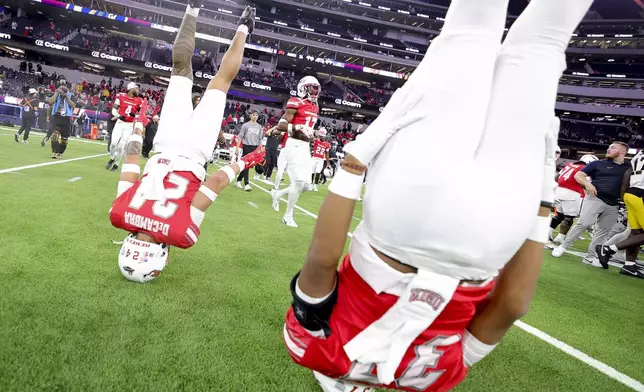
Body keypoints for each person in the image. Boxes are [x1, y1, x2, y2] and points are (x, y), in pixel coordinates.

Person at [282, 0, 590, 391]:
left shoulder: (438, 382)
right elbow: (322, 259)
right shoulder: (312, 352)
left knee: (544, 43)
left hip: (491, 236)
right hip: (403, 225)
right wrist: (355, 162)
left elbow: (513, 305)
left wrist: (542, 202)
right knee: (471, 32)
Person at [109, 3, 262, 283]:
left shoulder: (182, 235)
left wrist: (247, 161)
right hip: (165, 141)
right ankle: (192, 10)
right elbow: (131, 160)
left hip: (195, 150)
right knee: (180, 69)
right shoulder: (118, 215)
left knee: (221, 81)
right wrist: (139, 127)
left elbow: (214, 183)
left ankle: (244, 26)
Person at [552, 142, 632, 264]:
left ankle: (590, 256)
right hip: (595, 198)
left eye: (613, 147)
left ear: (622, 152)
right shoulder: (598, 163)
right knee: (584, 223)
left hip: (614, 203)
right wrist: (587, 184)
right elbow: (579, 175)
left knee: (603, 231)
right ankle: (562, 247)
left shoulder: (628, 167)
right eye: (609, 147)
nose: (608, 149)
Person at [270, 76, 321, 227]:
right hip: (293, 145)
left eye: (317, 88)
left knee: (306, 186)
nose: (315, 91)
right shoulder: (295, 102)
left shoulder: (315, 106)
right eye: (312, 87)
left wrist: (312, 134)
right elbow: (281, 124)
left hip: (305, 147)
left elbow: (308, 127)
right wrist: (297, 127)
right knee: (298, 181)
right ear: (303, 88)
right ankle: (288, 216)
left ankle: (278, 194)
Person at [596, 150, 644, 278]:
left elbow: (627, 175)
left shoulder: (638, 156)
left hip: (631, 193)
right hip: (642, 195)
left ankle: (629, 266)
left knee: (636, 233)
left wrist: (623, 198)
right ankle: (608, 249)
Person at [547, 154, 597, 247]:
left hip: (559, 191)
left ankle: (547, 233)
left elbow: (556, 178)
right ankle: (559, 239)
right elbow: (586, 183)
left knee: (559, 216)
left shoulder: (569, 165)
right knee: (569, 218)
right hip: (573, 193)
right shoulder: (584, 168)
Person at [105, 82, 144, 172]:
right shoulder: (121, 96)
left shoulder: (139, 101)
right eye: (136, 88)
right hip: (120, 122)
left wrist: (135, 115)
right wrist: (118, 116)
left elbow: (142, 114)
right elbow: (114, 109)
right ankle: (111, 158)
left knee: (121, 146)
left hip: (129, 125)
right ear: (131, 89)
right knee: (113, 143)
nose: (137, 91)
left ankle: (116, 164)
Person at [43, 79, 76, 159]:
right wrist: (56, 93)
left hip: (66, 118)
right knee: (55, 136)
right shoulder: (57, 95)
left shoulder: (71, 95)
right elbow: (50, 102)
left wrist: (67, 98)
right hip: (56, 117)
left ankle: (60, 152)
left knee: (64, 139)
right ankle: (54, 152)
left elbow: (73, 105)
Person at [235, 110, 264, 191]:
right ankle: (247, 184)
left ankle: (238, 180)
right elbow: (240, 136)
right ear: (250, 115)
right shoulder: (245, 125)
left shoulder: (259, 127)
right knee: (246, 164)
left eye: (256, 115)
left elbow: (260, 139)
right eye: (253, 115)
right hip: (246, 146)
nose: (255, 116)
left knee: (248, 165)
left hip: (255, 148)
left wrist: (260, 149)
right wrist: (237, 148)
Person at [311, 128, 331, 192]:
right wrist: (315, 133)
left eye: (322, 136)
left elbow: (327, 153)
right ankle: (311, 184)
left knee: (318, 172)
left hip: (321, 159)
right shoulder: (316, 140)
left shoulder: (327, 144)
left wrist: (328, 163)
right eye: (320, 136)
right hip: (314, 158)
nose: (321, 137)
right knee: (312, 172)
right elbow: (311, 138)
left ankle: (315, 185)